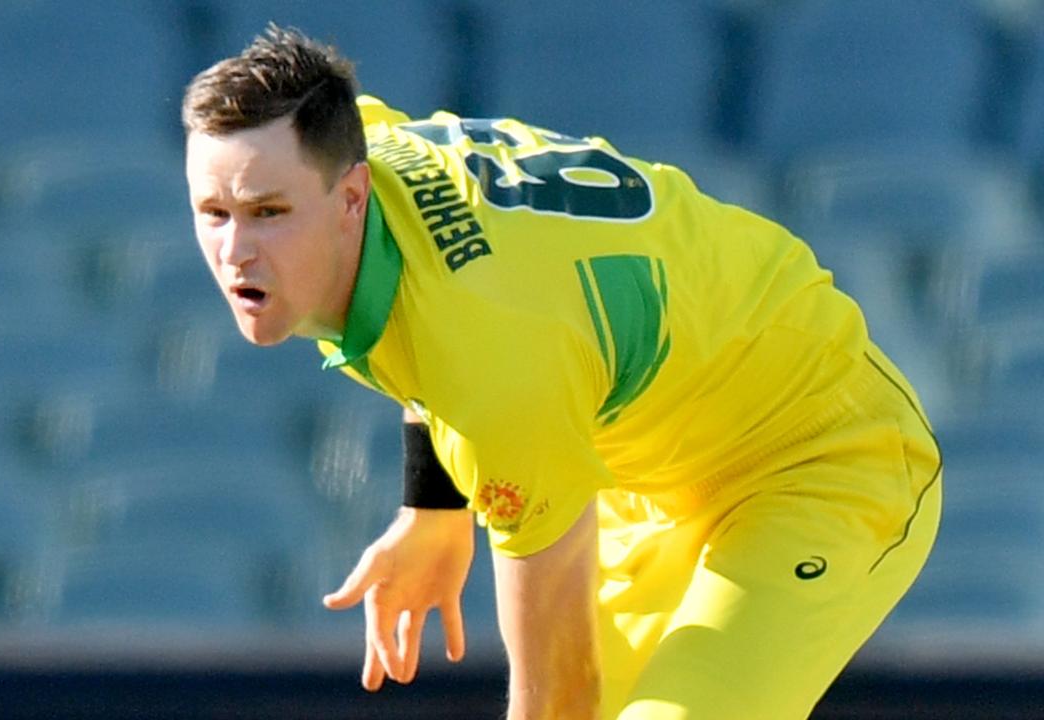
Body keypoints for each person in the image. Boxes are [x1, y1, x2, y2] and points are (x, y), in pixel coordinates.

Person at [180, 25, 942, 720]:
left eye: (268, 212)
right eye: (212, 211)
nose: (235, 251)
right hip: (652, 475)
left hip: (822, 460)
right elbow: (433, 318)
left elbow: (558, 696)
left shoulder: (493, 371)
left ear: (351, 196)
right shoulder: (359, 140)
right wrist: (432, 508)